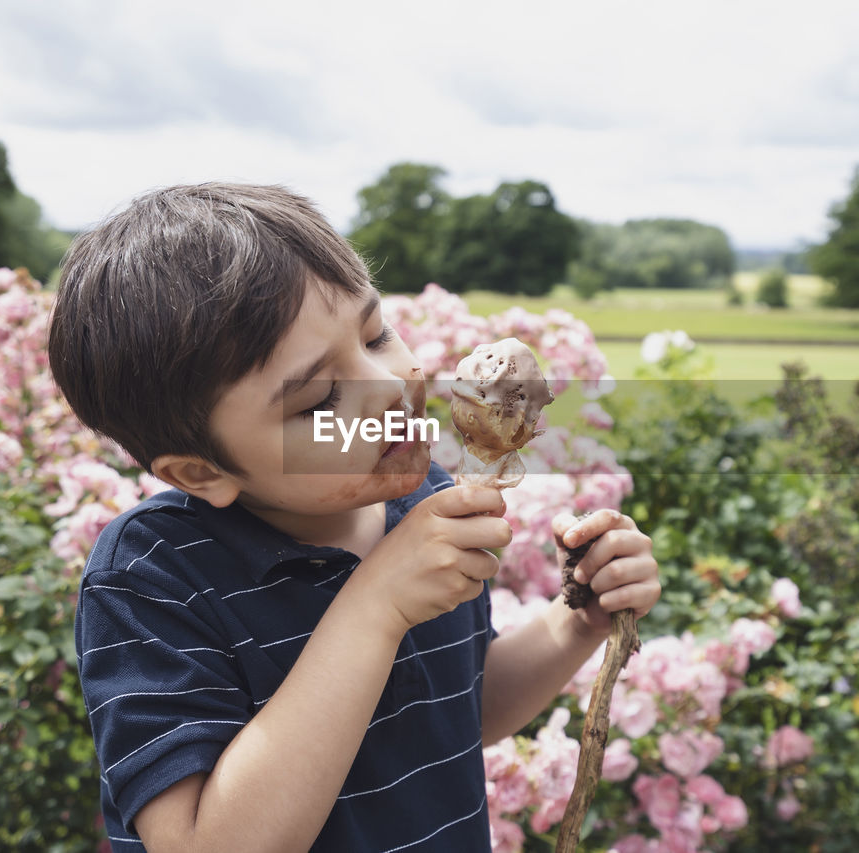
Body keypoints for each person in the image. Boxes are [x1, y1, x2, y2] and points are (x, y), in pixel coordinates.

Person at [47, 182, 661, 853]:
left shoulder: (423, 501)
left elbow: (463, 710)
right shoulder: (152, 578)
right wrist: (374, 606)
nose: (388, 384)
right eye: (318, 398)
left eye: (376, 333)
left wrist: (576, 617)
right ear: (203, 471)